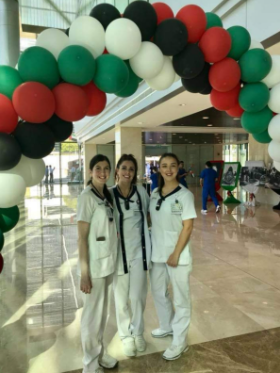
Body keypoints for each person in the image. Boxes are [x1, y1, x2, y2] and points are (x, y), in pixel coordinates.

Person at [149, 153, 196, 361]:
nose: (168, 169)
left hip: (178, 255)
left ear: (179, 167)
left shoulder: (185, 195)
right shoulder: (155, 193)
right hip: (157, 253)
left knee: (181, 297)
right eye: (164, 166)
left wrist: (176, 253)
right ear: (159, 168)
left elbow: (188, 227)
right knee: (159, 292)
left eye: (173, 166)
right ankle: (167, 326)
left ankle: (180, 341)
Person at [77, 154, 118, 373]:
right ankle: (89, 365)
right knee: (91, 317)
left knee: (103, 315)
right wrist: (84, 273)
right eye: (98, 168)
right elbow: (81, 238)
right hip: (93, 268)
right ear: (91, 171)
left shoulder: (106, 194)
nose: (103, 172)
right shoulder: (87, 197)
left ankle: (99, 355)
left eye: (106, 168)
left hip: (107, 264)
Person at [111, 154, 152, 357]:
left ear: (135, 173)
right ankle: (126, 336)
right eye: (124, 168)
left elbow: (149, 216)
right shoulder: (109, 194)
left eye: (131, 169)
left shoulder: (141, 192)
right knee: (121, 300)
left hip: (139, 254)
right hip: (118, 256)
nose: (127, 172)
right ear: (117, 170)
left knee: (137, 297)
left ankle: (138, 333)